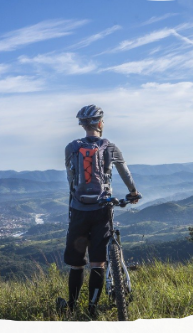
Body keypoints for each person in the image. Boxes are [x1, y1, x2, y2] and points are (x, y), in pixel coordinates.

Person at [57, 104, 141, 317]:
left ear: (82, 125)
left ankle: (72, 308)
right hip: (102, 209)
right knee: (98, 262)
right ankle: (92, 308)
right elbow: (125, 174)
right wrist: (133, 193)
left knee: (76, 265)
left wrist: (74, 202)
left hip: (78, 209)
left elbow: (70, 180)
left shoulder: (71, 148)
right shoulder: (110, 147)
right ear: (101, 123)